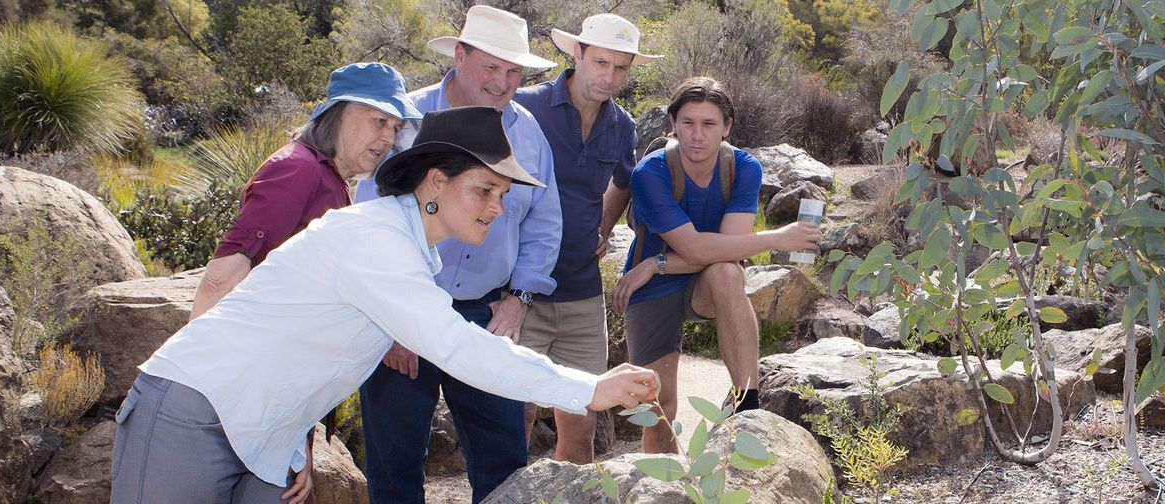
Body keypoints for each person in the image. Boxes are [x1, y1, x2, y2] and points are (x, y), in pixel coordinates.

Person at [110, 107, 659, 504]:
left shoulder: (412, 254)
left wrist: (291, 441)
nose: (497, 207)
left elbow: (306, 354)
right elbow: (458, 346)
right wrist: (588, 388)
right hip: (192, 411)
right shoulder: (374, 241)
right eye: (485, 190)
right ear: (434, 183)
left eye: (504, 195)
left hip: (265, 435)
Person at [349, 6, 561, 503]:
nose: (502, 82)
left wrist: (520, 299)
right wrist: (390, 319)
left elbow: (545, 223)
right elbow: (370, 224)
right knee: (394, 467)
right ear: (459, 55)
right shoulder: (404, 122)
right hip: (402, 311)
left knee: (505, 464)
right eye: (491, 66)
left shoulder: (528, 133)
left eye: (513, 71)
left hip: (485, 315)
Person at [609, 77, 821, 454]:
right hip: (651, 291)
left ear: (727, 127)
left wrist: (655, 262)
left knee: (727, 274)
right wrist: (776, 238)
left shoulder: (742, 169)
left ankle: (746, 404)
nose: (697, 135)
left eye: (709, 124)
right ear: (672, 123)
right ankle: (667, 492)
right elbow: (693, 249)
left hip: (695, 282)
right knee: (658, 409)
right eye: (688, 123)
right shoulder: (651, 173)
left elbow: (725, 254)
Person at [513, 12, 661, 464]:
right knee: (511, 417)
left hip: (581, 292)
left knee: (580, 424)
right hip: (518, 291)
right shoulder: (525, 108)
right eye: (600, 62)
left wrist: (603, 227)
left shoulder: (622, 127)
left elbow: (623, 180)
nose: (609, 76)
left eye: (621, 67)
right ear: (576, 53)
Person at [190, 62, 419, 320]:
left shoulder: (331, 178)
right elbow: (219, 280)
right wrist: (190, 359)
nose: (388, 138)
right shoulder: (297, 170)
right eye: (380, 121)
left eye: (395, 128)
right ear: (339, 113)